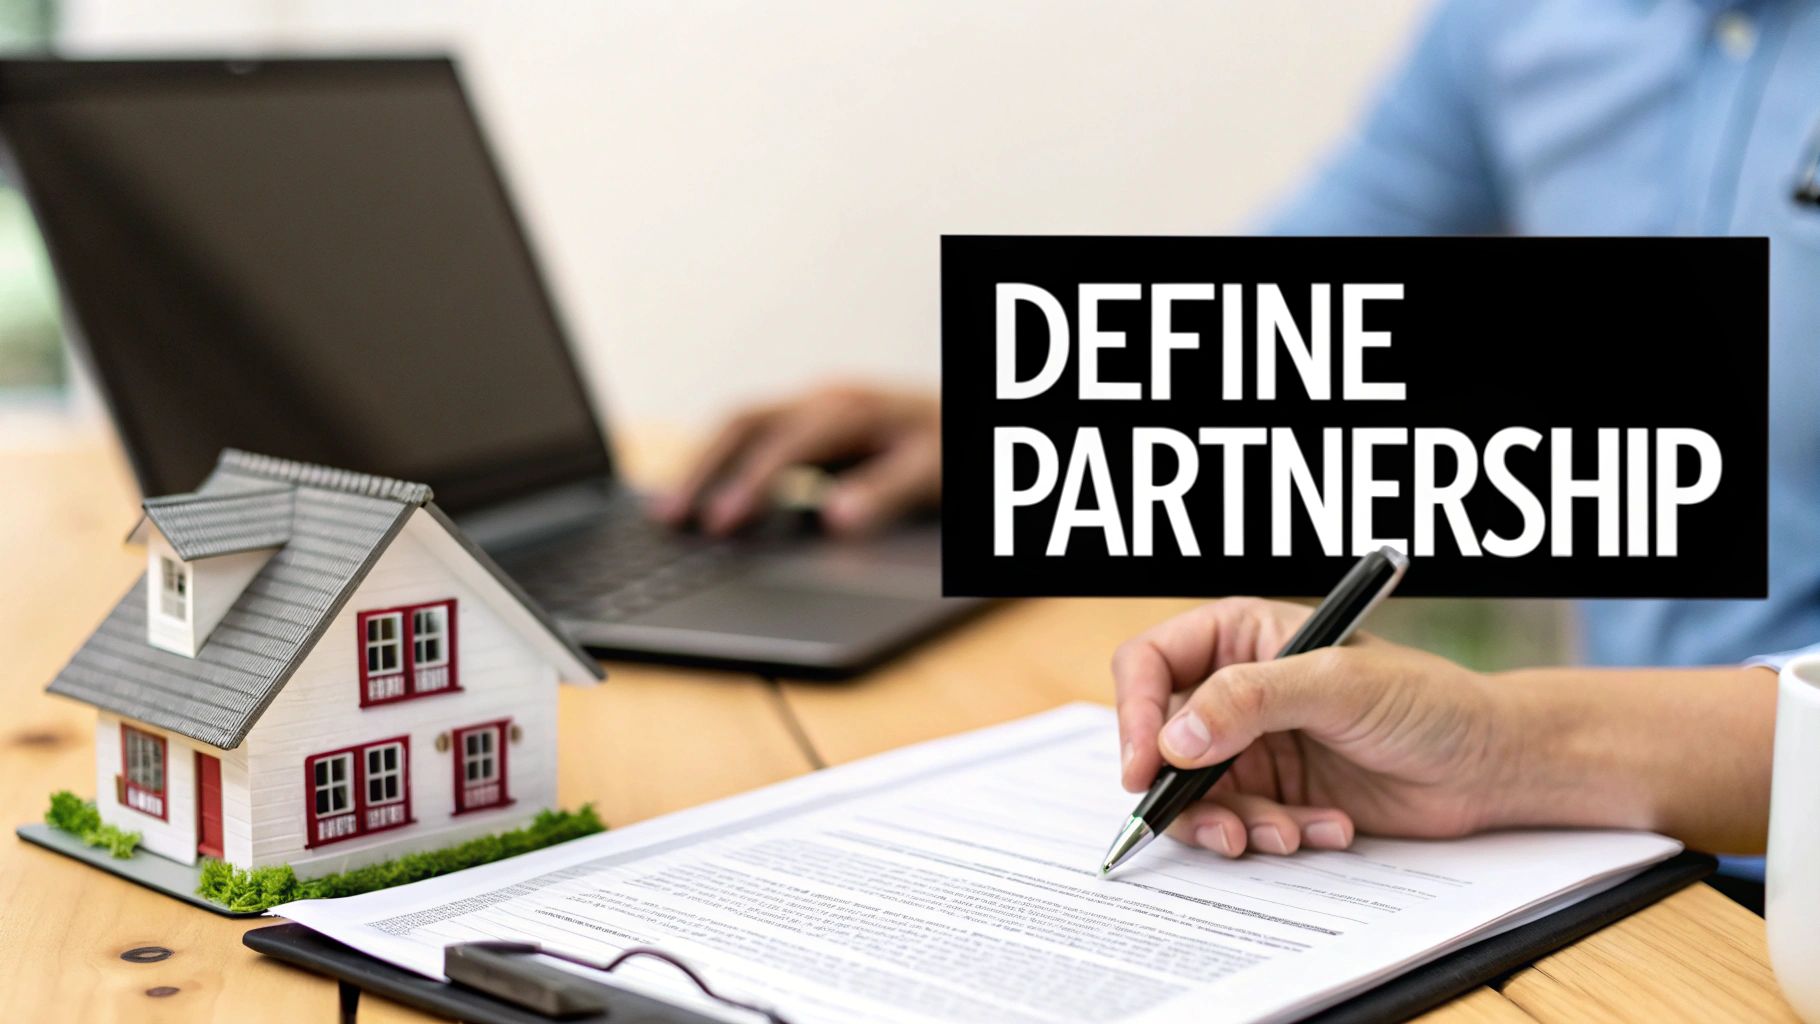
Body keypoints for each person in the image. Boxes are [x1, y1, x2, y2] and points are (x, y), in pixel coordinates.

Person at [652, 0, 1820, 879]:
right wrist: (1004, 427)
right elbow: (1305, 309)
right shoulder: (1516, 20)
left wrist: (1517, 741)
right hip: (1622, 857)